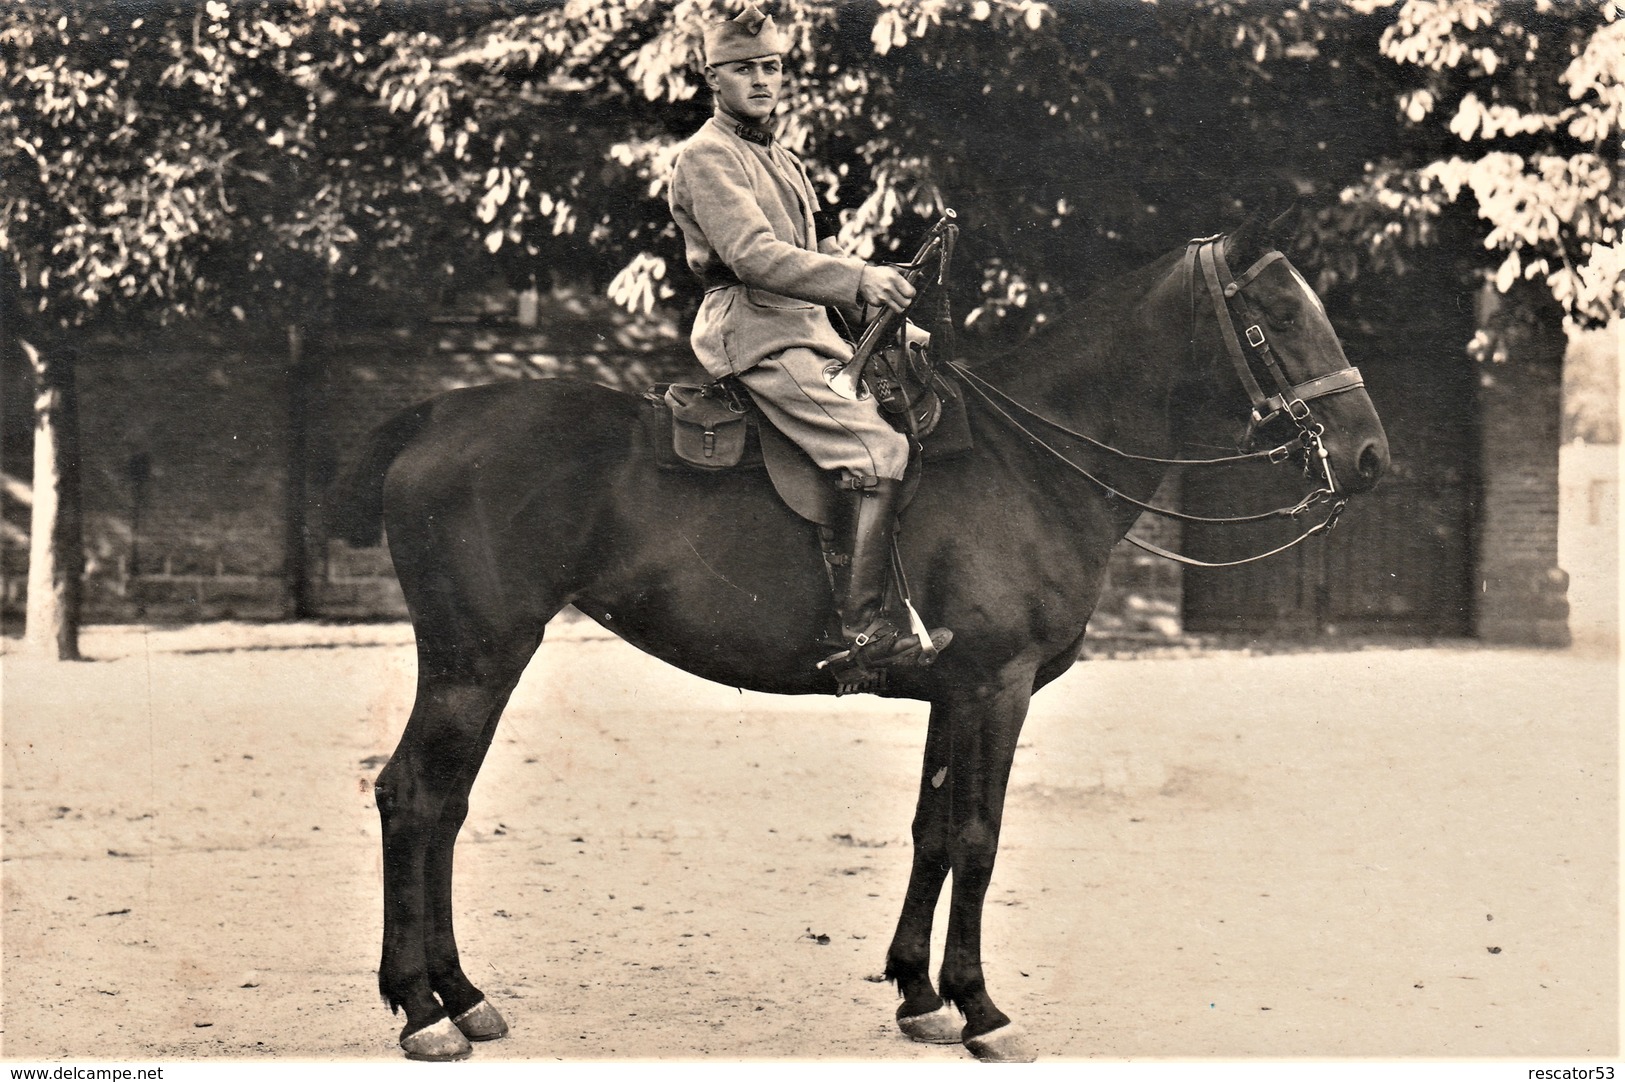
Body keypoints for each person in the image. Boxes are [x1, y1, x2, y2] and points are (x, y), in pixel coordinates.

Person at [667, 4, 951, 676]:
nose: (762, 80)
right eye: (743, 69)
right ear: (712, 78)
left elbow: (814, 247)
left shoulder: (782, 159)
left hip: (808, 331)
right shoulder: (706, 156)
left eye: (771, 67)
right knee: (878, 448)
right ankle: (859, 634)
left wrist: (884, 310)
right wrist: (859, 279)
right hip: (756, 333)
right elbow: (754, 254)